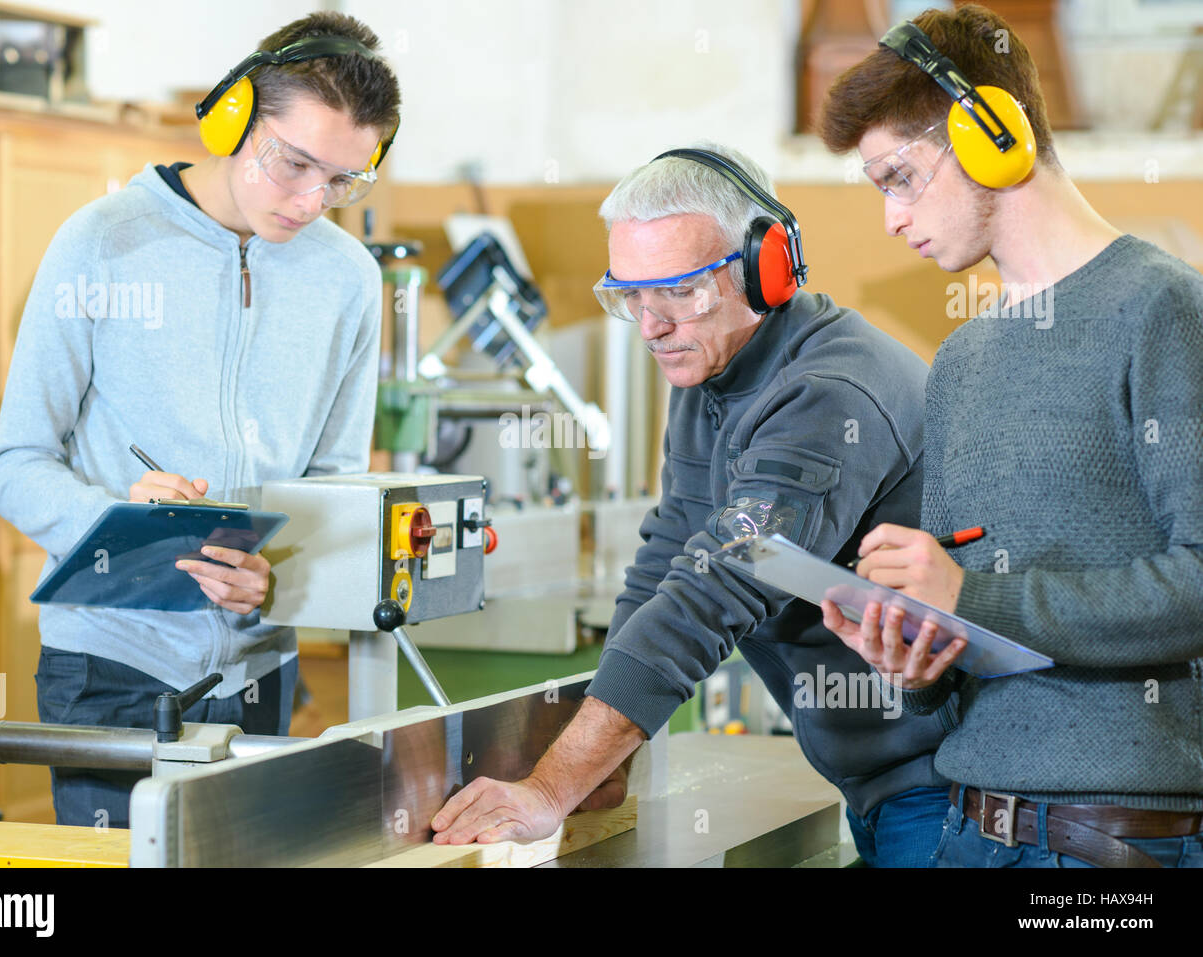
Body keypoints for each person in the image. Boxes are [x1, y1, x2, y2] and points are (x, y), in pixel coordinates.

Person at [431, 142, 957, 866]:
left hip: (955, 792)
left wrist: (550, 789)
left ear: (768, 266)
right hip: (886, 787)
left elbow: (718, 586)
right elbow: (666, 560)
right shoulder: (709, 378)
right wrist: (602, 758)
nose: (651, 325)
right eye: (631, 296)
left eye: (679, 291)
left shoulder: (830, 392)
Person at [0, 12, 399, 827]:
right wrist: (115, 521)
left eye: (343, 180)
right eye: (295, 163)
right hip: (110, 665)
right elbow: (14, 460)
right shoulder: (102, 242)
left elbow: (334, 486)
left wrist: (276, 576)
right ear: (233, 115)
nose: (314, 200)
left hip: (258, 671)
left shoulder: (348, 278)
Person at [817, 4, 1203, 868]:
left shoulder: (1163, 310)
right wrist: (919, 657)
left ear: (993, 132)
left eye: (900, 177)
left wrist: (972, 600)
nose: (890, 218)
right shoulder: (960, 360)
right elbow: (966, 633)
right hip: (966, 831)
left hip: (1110, 848)